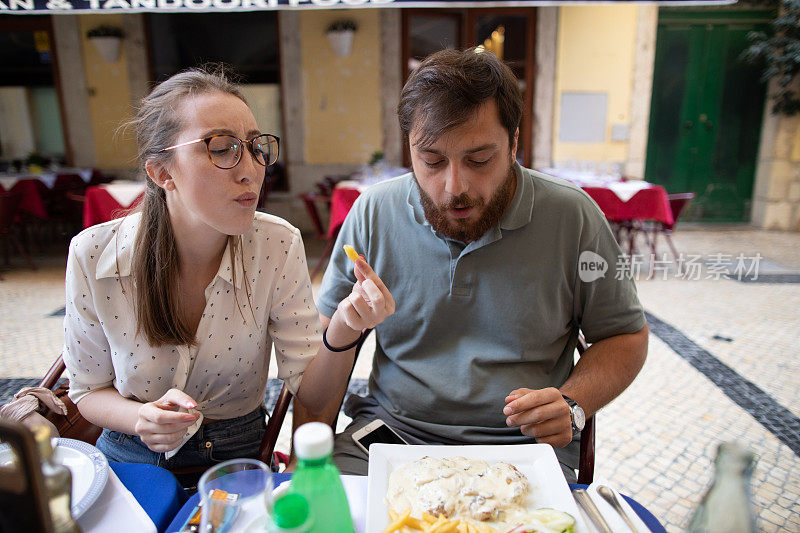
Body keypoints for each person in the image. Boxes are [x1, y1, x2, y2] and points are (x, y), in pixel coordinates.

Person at [309, 49, 649, 481]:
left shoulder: (573, 217)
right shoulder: (373, 212)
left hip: (524, 446)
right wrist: (345, 323)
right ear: (409, 149)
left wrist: (573, 403)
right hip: (392, 434)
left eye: (480, 160)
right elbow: (322, 348)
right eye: (431, 161)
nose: (454, 187)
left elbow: (625, 335)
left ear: (514, 143)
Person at [62, 67, 394, 476]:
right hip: (132, 454)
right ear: (162, 173)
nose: (251, 169)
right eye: (221, 148)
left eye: (255, 147)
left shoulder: (277, 244)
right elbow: (87, 390)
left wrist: (345, 325)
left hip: (238, 451)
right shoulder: (94, 254)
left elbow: (307, 391)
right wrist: (139, 419)